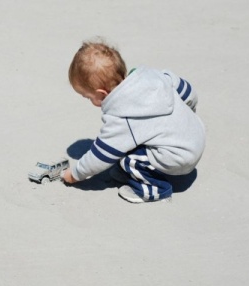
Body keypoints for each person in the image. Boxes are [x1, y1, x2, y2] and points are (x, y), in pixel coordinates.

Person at [61, 40, 205, 203]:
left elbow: (102, 154)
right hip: (196, 134)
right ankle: (135, 171)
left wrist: (75, 174)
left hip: (180, 157)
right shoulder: (150, 76)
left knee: (127, 157)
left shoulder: (122, 115)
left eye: (88, 97)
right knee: (135, 139)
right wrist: (188, 113)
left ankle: (153, 189)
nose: (89, 101)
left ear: (101, 94)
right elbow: (187, 90)